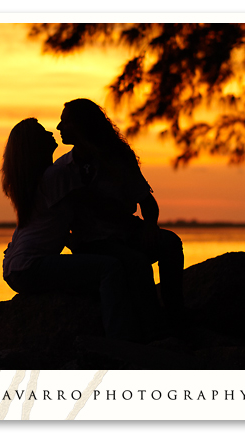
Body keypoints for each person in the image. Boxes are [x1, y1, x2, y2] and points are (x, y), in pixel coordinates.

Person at [52, 98, 185, 330]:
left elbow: (147, 201)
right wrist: (69, 240)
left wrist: (151, 227)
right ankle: (152, 328)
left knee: (170, 243)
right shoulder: (62, 169)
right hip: (92, 241)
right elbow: (55, 217)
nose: (59, 127)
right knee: (137, 262)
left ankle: (176, 315)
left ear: (83, 125)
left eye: (66, 122)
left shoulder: (118, 158)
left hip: (126, 231)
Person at [1, 118, 136, 339]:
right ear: (35, 144)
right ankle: (120, 340)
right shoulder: (55, 177)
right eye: (42, 131)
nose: (51, 132)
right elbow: (96, 205)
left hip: (15, 267)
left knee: (89, 274)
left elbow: (50, 229)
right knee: (109, 269)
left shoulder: (35, 183)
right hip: (31, 266)